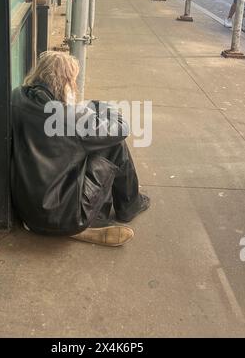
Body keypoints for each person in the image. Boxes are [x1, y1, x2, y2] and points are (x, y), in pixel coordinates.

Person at [11, 51, 150, 247]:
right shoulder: (71, 118)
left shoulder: (18, 97)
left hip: (27, 210)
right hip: (65, 215)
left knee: (90, 144)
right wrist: (99, 105)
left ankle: (104, 211)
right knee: (115, 145)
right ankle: (129, 206)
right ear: (65, 83)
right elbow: (121, 127)